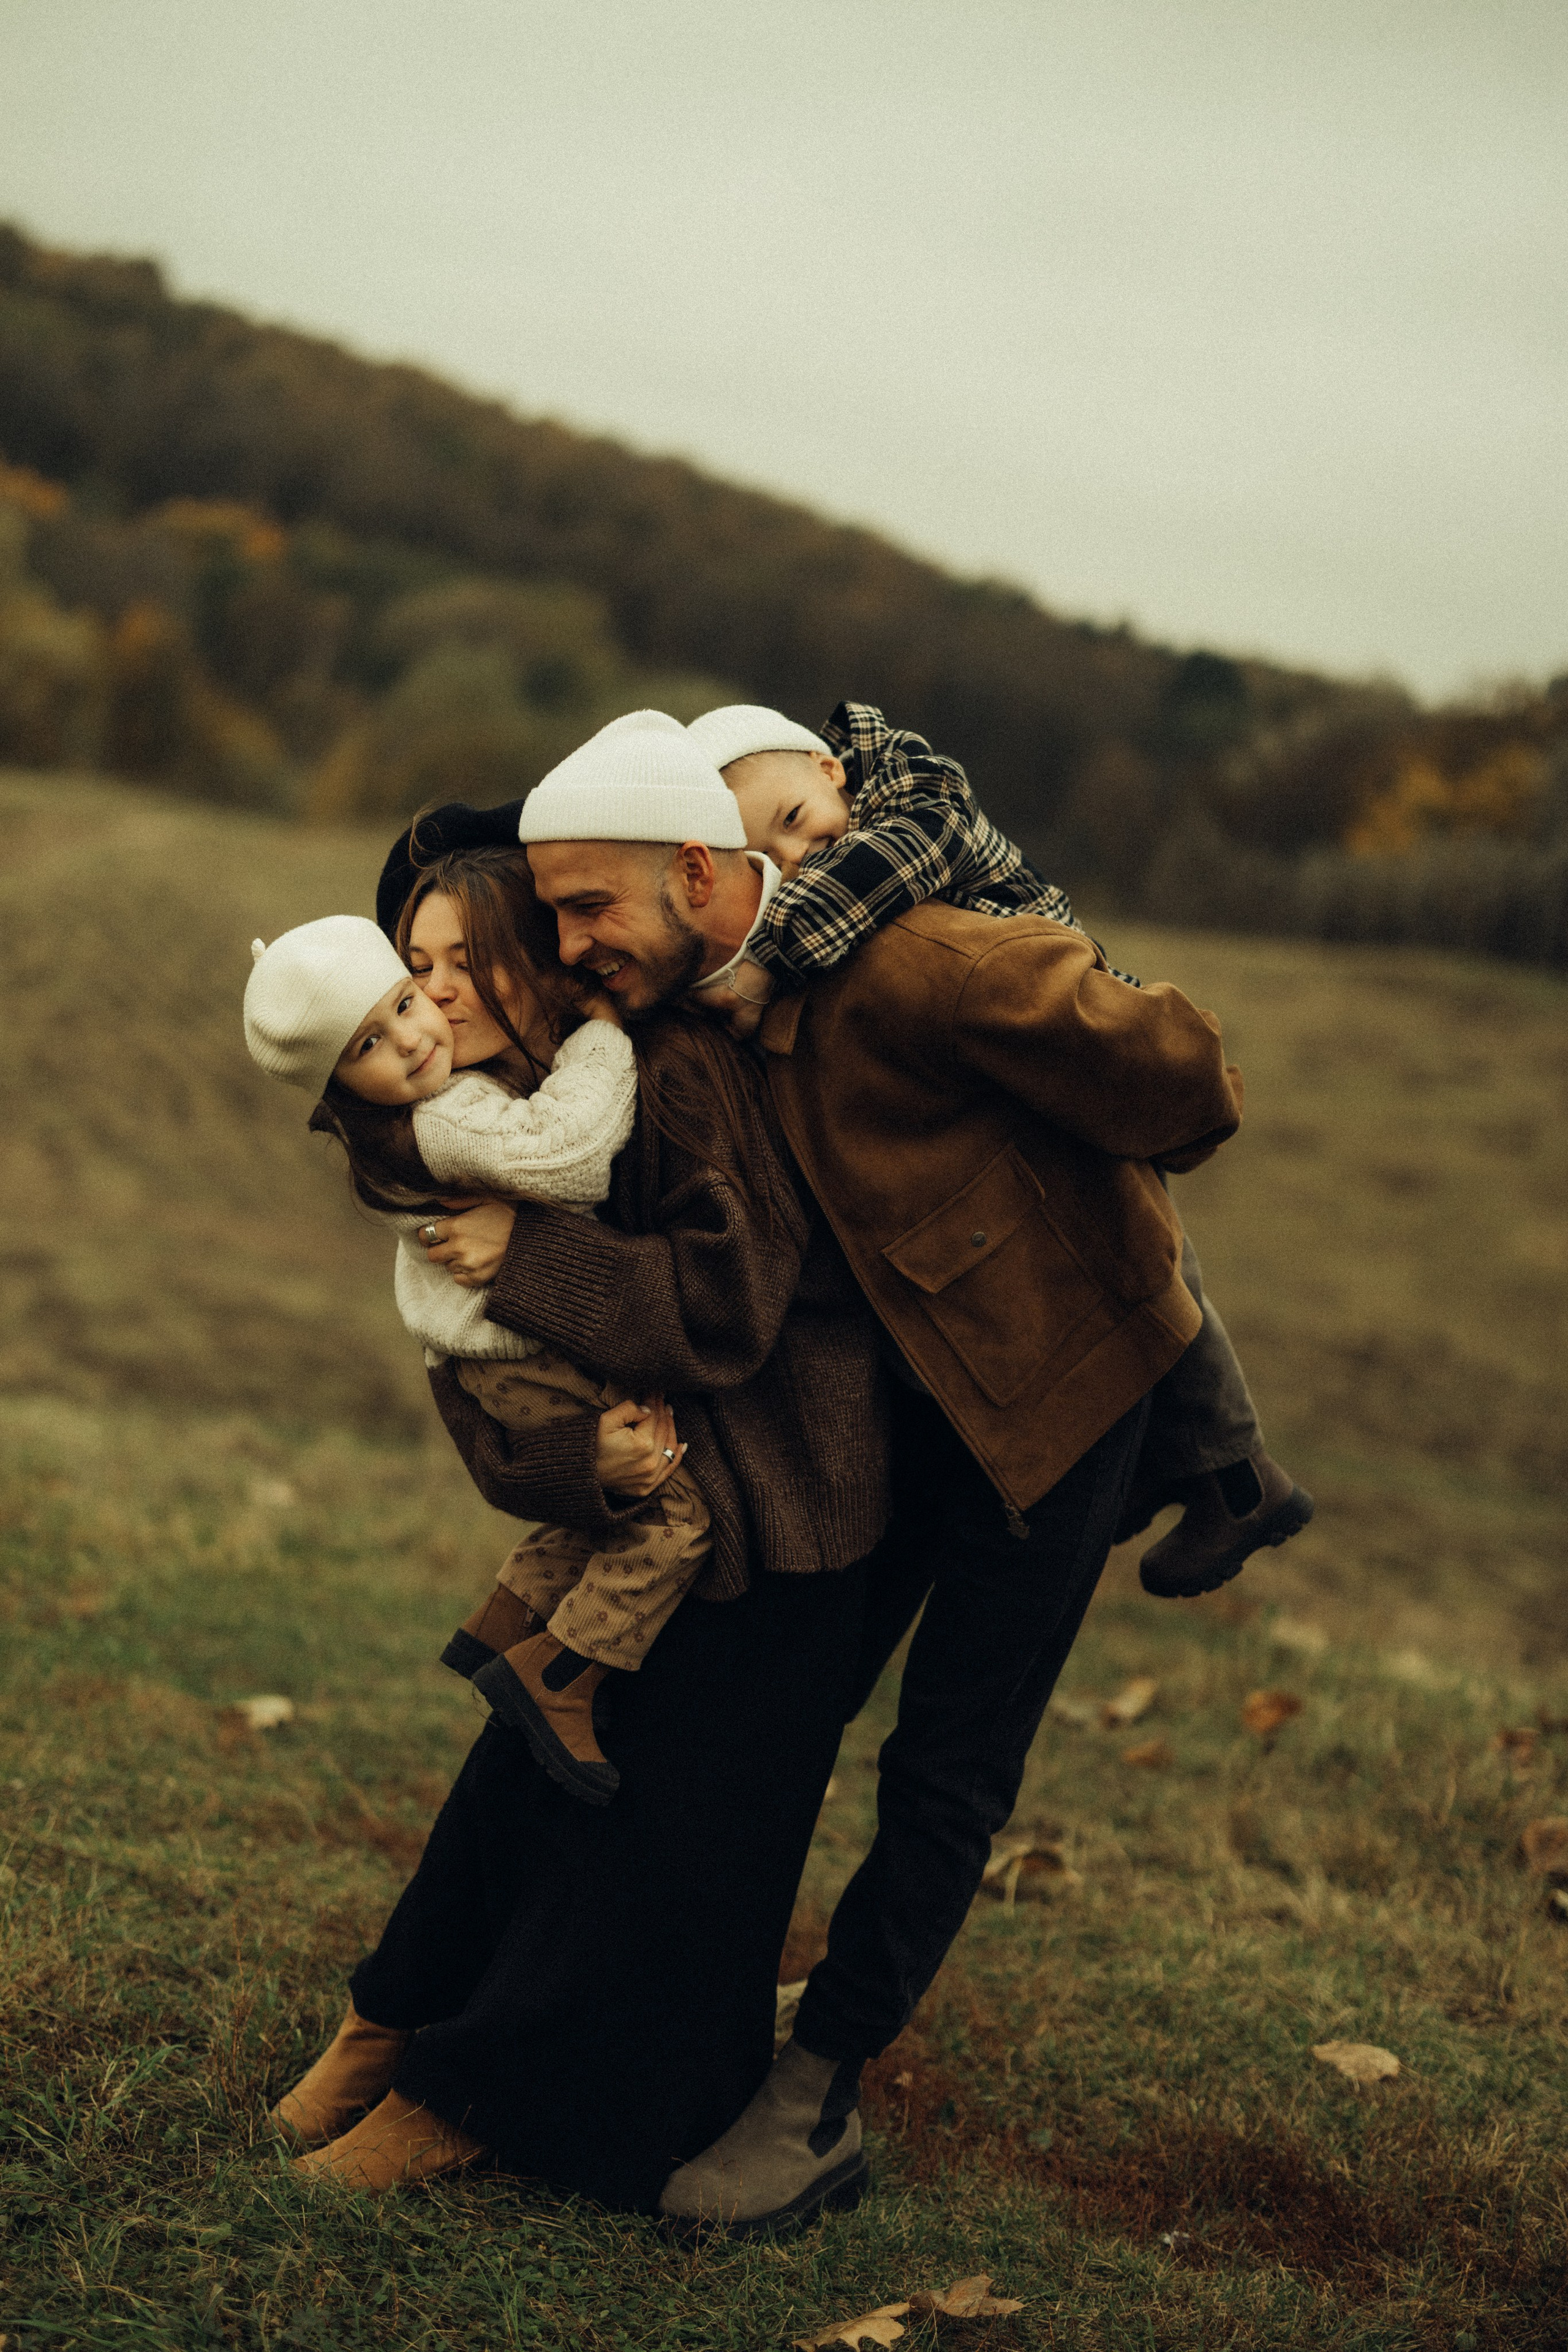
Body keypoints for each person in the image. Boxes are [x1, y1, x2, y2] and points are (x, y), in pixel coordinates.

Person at [486, 708, 1245, 2233]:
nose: (568, 946)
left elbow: (1187, 1081)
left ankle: (816, 2094)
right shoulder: (706, 1022)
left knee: (946, 1768)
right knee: (790, 1704)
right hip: (906, 1419)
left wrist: (1063, 1175)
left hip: (1053, 1417)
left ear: (697, 874)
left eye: (586, 907)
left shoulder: (917, 963)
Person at [265, 725, 891, 2204]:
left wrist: (530, 1261)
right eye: (412, 967)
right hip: (679, 1499)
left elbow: (731, 1304)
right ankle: (391, 2021)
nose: (429, 995)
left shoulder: (662, 1076)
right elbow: (486, 1411)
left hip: (788, 1510)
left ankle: (476, 2095)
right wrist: (578, 1463)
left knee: (635, 1812)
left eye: (461, 960)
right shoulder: (490, 1129)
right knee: (521, 1765)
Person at [684, 698, 1312, 1601]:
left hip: (1062, 1011)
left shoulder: (916, 794)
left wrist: (766, 958)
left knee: (1139, 1234)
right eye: (766, 861)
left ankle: (1239, 1477)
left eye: (793, 820)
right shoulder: (841, 833)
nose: (797, 859)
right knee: (1131, 1231)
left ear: (831, 771)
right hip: (1002, 1063)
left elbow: (880, 870)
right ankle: (1196, 1469)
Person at [241, 873, 710, 1809]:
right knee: (674, 1518)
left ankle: (507, 1618)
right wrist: (601, 1036)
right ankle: (559, 1673)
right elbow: (567, 1153)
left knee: (598, 1516)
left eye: (404, 1002)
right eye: (369, 1045)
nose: (415, 1035)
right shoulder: (445, 1118)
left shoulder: (394, 1128)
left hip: (489, 1359)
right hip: (520, 1354)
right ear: (340, 1086)